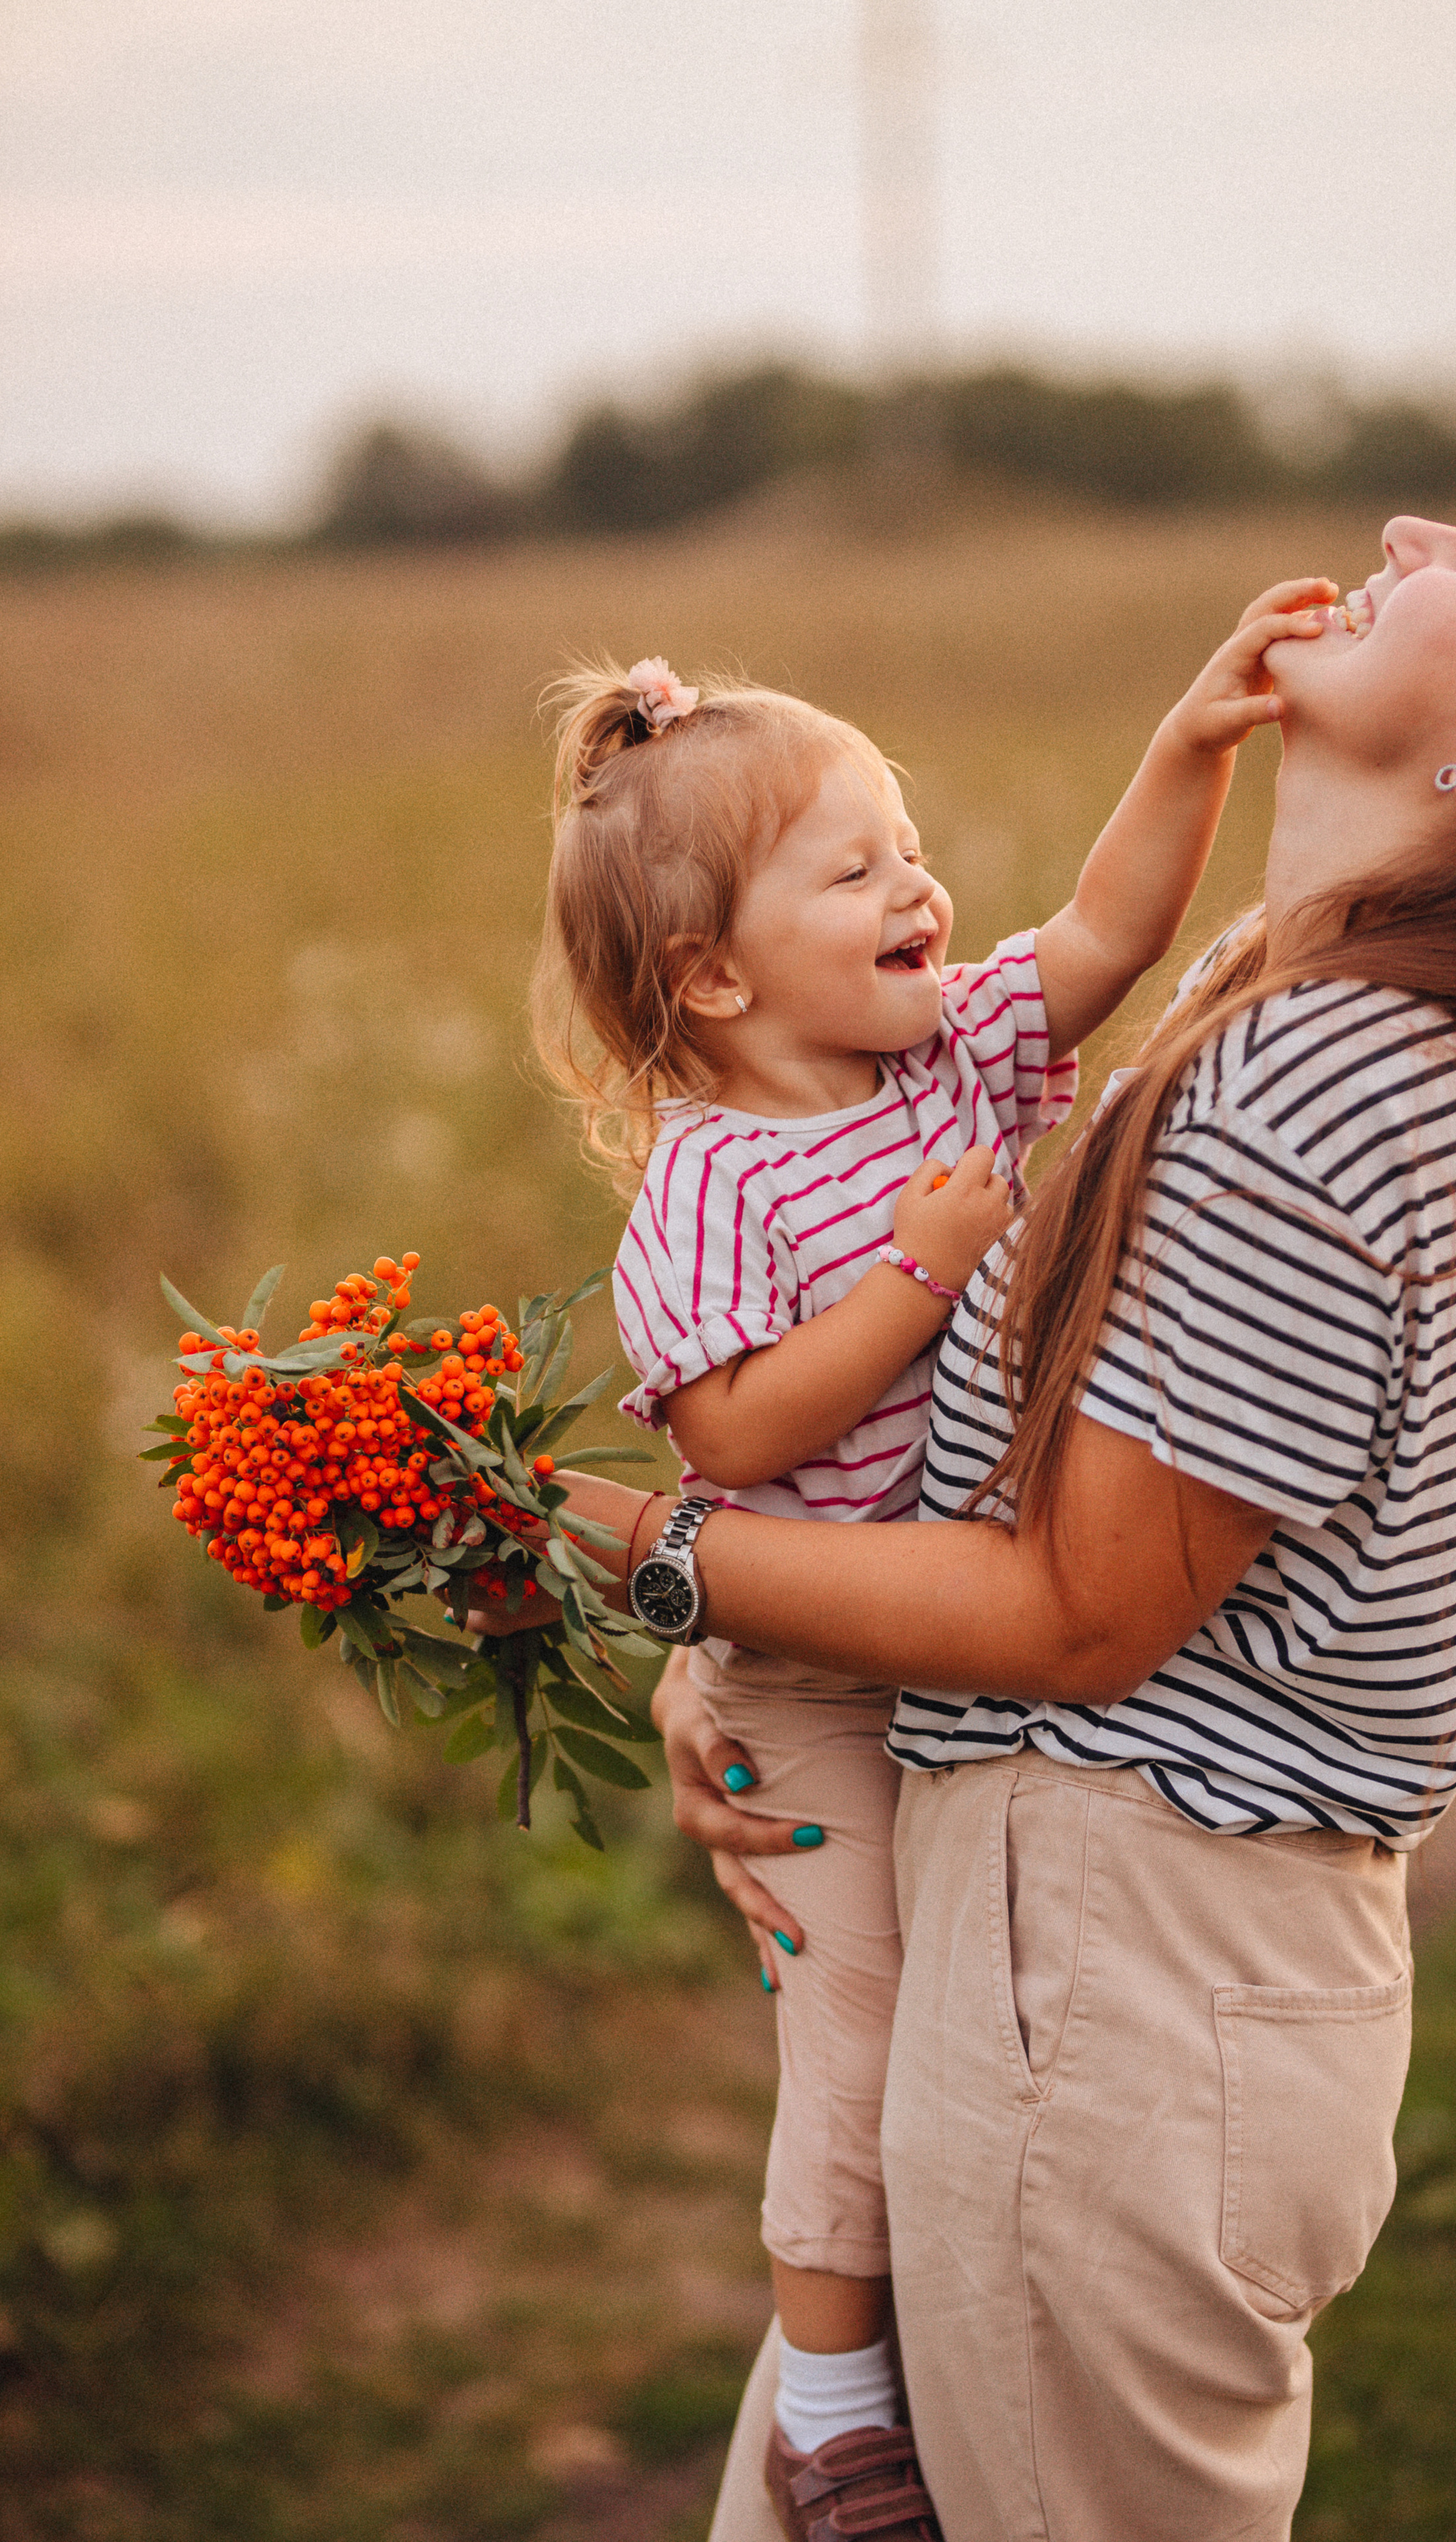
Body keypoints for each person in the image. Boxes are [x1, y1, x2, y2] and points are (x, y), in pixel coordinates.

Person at [482, 492, 1456, 2539]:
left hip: (1117, 1974)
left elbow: (1077, 1616)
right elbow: (1022, 1470)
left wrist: (654, 1555)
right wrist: (748, 1670)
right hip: (1076, 1948)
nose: (1413, 524)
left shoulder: (1320, 1076)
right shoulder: (1292, 994)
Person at [530, 607, 1328, 2538]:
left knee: (960, 2040)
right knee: (864, 2025)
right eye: (861, 868)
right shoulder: (713, 1178)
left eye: (911, 846)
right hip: (811, 1669)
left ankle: (931, 2350)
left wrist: (1192, 743)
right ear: (714, 976)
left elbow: (1103, 936)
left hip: (946, 1640)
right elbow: (725, 1444)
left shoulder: (945, 1052)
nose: (923, 888)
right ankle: (829, 2403)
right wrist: (921, 1268)